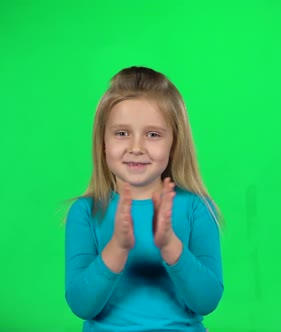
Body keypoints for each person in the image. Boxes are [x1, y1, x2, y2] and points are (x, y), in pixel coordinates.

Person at [64, 66, 224, 332]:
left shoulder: (197, 209)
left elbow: (206, 302)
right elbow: (81, 306)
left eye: (152, 134)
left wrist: (171, 247)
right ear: (102, 141)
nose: (136, 147)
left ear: (174, 143)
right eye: (122, 133)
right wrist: (116, 248)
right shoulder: (85, 213)